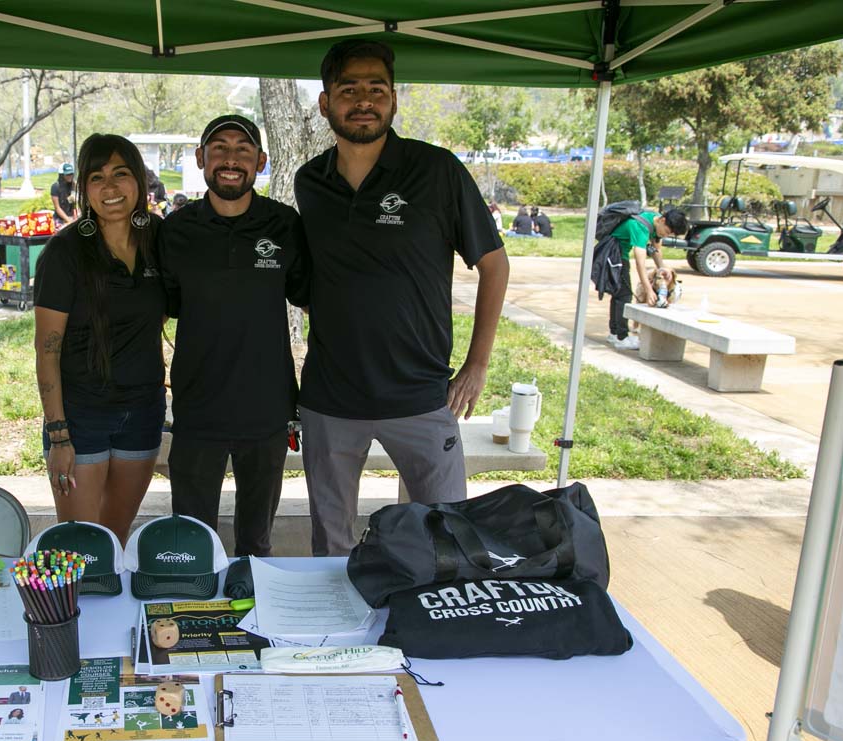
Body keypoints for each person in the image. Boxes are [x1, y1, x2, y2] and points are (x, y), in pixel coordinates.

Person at [294, 39, 510, 557]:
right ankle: (341, 638)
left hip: (420, 395)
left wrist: (477, 364)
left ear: (394, 100)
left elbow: (494, 265)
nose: (363, 100)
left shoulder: (437, 171)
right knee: (332, 543)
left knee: (445, 537)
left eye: (377, 89)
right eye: (349, 89)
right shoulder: (310, 182)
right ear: (326, 103)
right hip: (330, 400)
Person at [158, 114, 310, 558]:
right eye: (219, 148)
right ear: (200, 158)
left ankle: (253, 619)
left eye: (243, 150)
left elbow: (312, 299)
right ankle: (194, 618)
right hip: (197, 407)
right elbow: (157, 310)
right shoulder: (176, 230)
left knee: (256, 543)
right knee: (191, 538)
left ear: (260, 161)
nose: (230, 159)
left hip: (267, 408)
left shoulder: (284, 225)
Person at [34, 134, 165, 545]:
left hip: (142, 412)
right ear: (83, 189)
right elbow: (46, 350)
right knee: (82, 546)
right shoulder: (64, 251)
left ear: (140, 182)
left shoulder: (158, 239)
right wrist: (59, 436)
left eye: (121, 174)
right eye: (97, 177)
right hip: (81, 416)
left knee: (116, 538)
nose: (110, 188)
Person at [606, 207, 688, 350]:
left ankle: (614, 334)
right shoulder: (640, 226)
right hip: (613, 254)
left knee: (619, 294)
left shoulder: (654, 219)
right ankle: (621, 337)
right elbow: (640, 263)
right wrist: (649, 290)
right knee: (624, 295)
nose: (666, 235)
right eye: (667, 232)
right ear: (662, 220)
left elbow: (656, 249)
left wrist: (662, 267)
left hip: (618, 252)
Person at [50, 163, 78, 228]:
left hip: (71, 217)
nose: (70, 176)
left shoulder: (73, 185)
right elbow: (57, 208)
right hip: (60, 219)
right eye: (67, 174)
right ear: (62, 175)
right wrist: (68, 220)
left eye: (71, 174)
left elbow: (73, 203)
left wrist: (75, 218)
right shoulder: (55, 187)